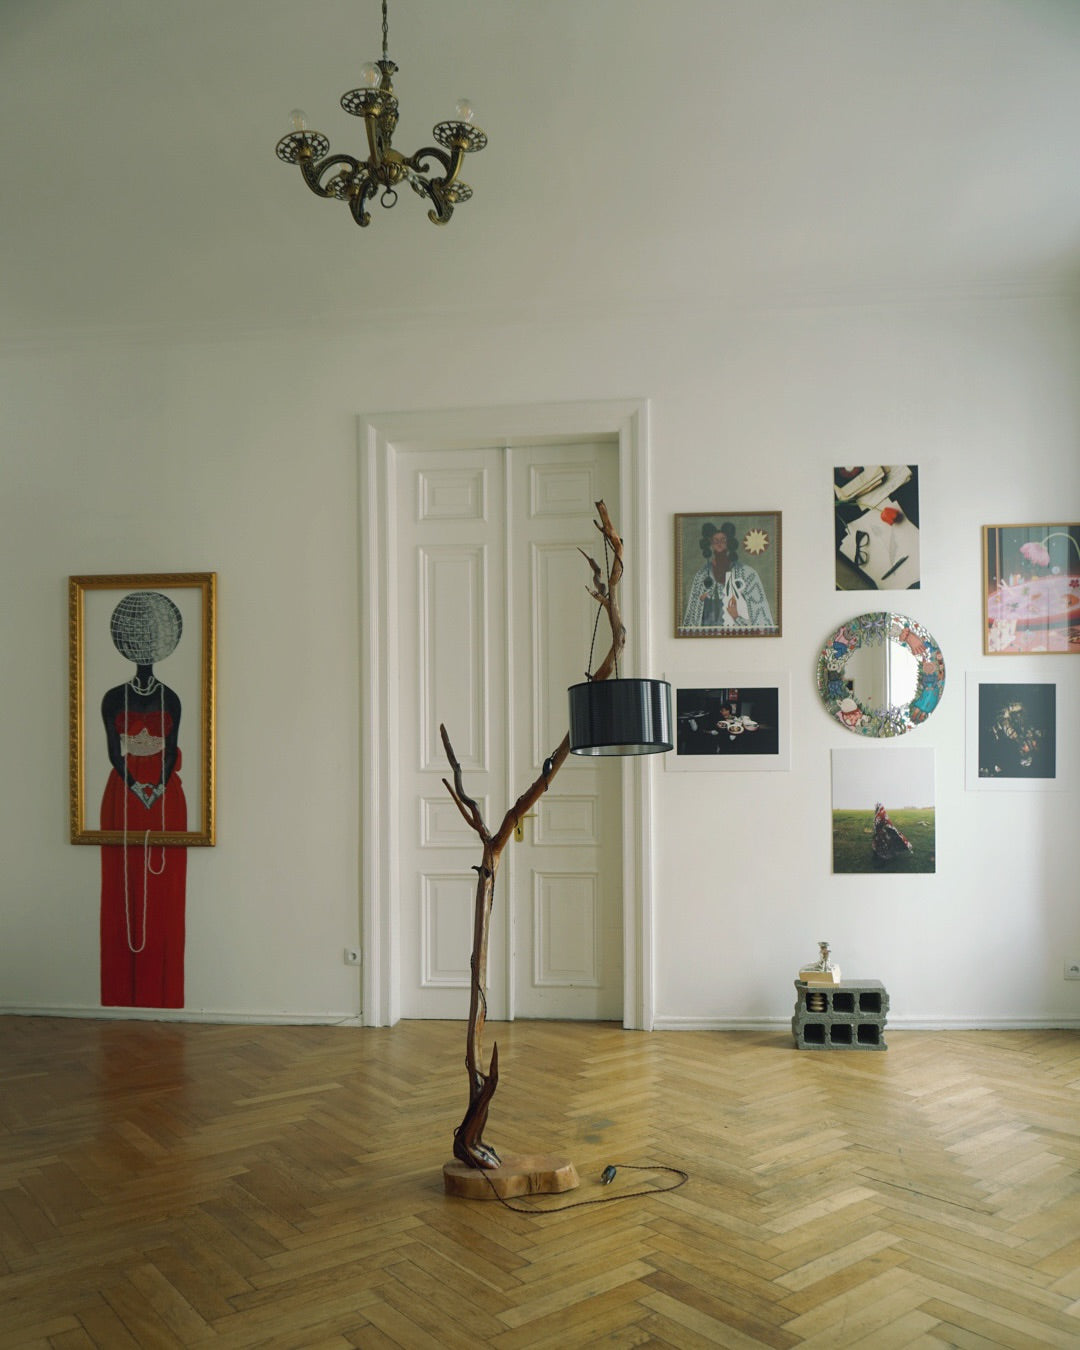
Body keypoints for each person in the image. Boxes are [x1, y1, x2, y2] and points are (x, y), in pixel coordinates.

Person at [99, 591, 188, 1008]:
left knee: (165, 893)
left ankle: (162, 989)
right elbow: (113, 752)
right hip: (124, 790)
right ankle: (121, 991)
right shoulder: (112, 697)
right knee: (122, 885)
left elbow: (170, 749)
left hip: (167, 795)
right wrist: (136, 785)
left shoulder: (172, 697)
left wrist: (160, 785)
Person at [682, 522, 775, 631]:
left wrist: (737, 617)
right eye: (715, 541)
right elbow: (692, 619)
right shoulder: (701, 576)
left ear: (729, 543)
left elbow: (761, 620)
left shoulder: (747, 573)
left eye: (723, 540)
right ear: (710, 544)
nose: (719, 544)